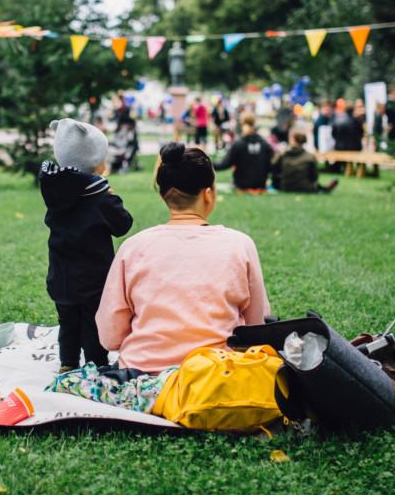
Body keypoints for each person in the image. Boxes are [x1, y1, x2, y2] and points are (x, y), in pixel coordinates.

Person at [96, 143, 271, 373]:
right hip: (217, 379)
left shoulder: (133, 247)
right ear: (208, 194)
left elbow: (110, 337)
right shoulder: (240, 244)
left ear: (162, 195)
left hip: (142, 380)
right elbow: (258, 325)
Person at [40, 118, 134, 372]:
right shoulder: (101, 197)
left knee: (68, 322)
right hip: (93, 279)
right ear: (95, 162)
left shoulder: (55, 191)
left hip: (60, 276)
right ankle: (97, 364)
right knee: (93, 323)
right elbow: (123, 225)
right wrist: (114, 198)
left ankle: (67, 364)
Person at [213, 112, 273, 192]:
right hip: (261, 184)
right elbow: (271, 166)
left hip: (241, 185)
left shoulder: (238, 144)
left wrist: (207, 164)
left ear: (242, 124)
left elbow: (225, 164)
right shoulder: (265, 145)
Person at [272, 132, 338, 193]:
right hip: (305, 187)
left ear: (292, 140)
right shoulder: (309, 156)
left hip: (285, 186)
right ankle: (324, 188)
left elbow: (273, 166)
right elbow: (314, 176)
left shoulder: (283, 154)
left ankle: (323, 188)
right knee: (314, 184)